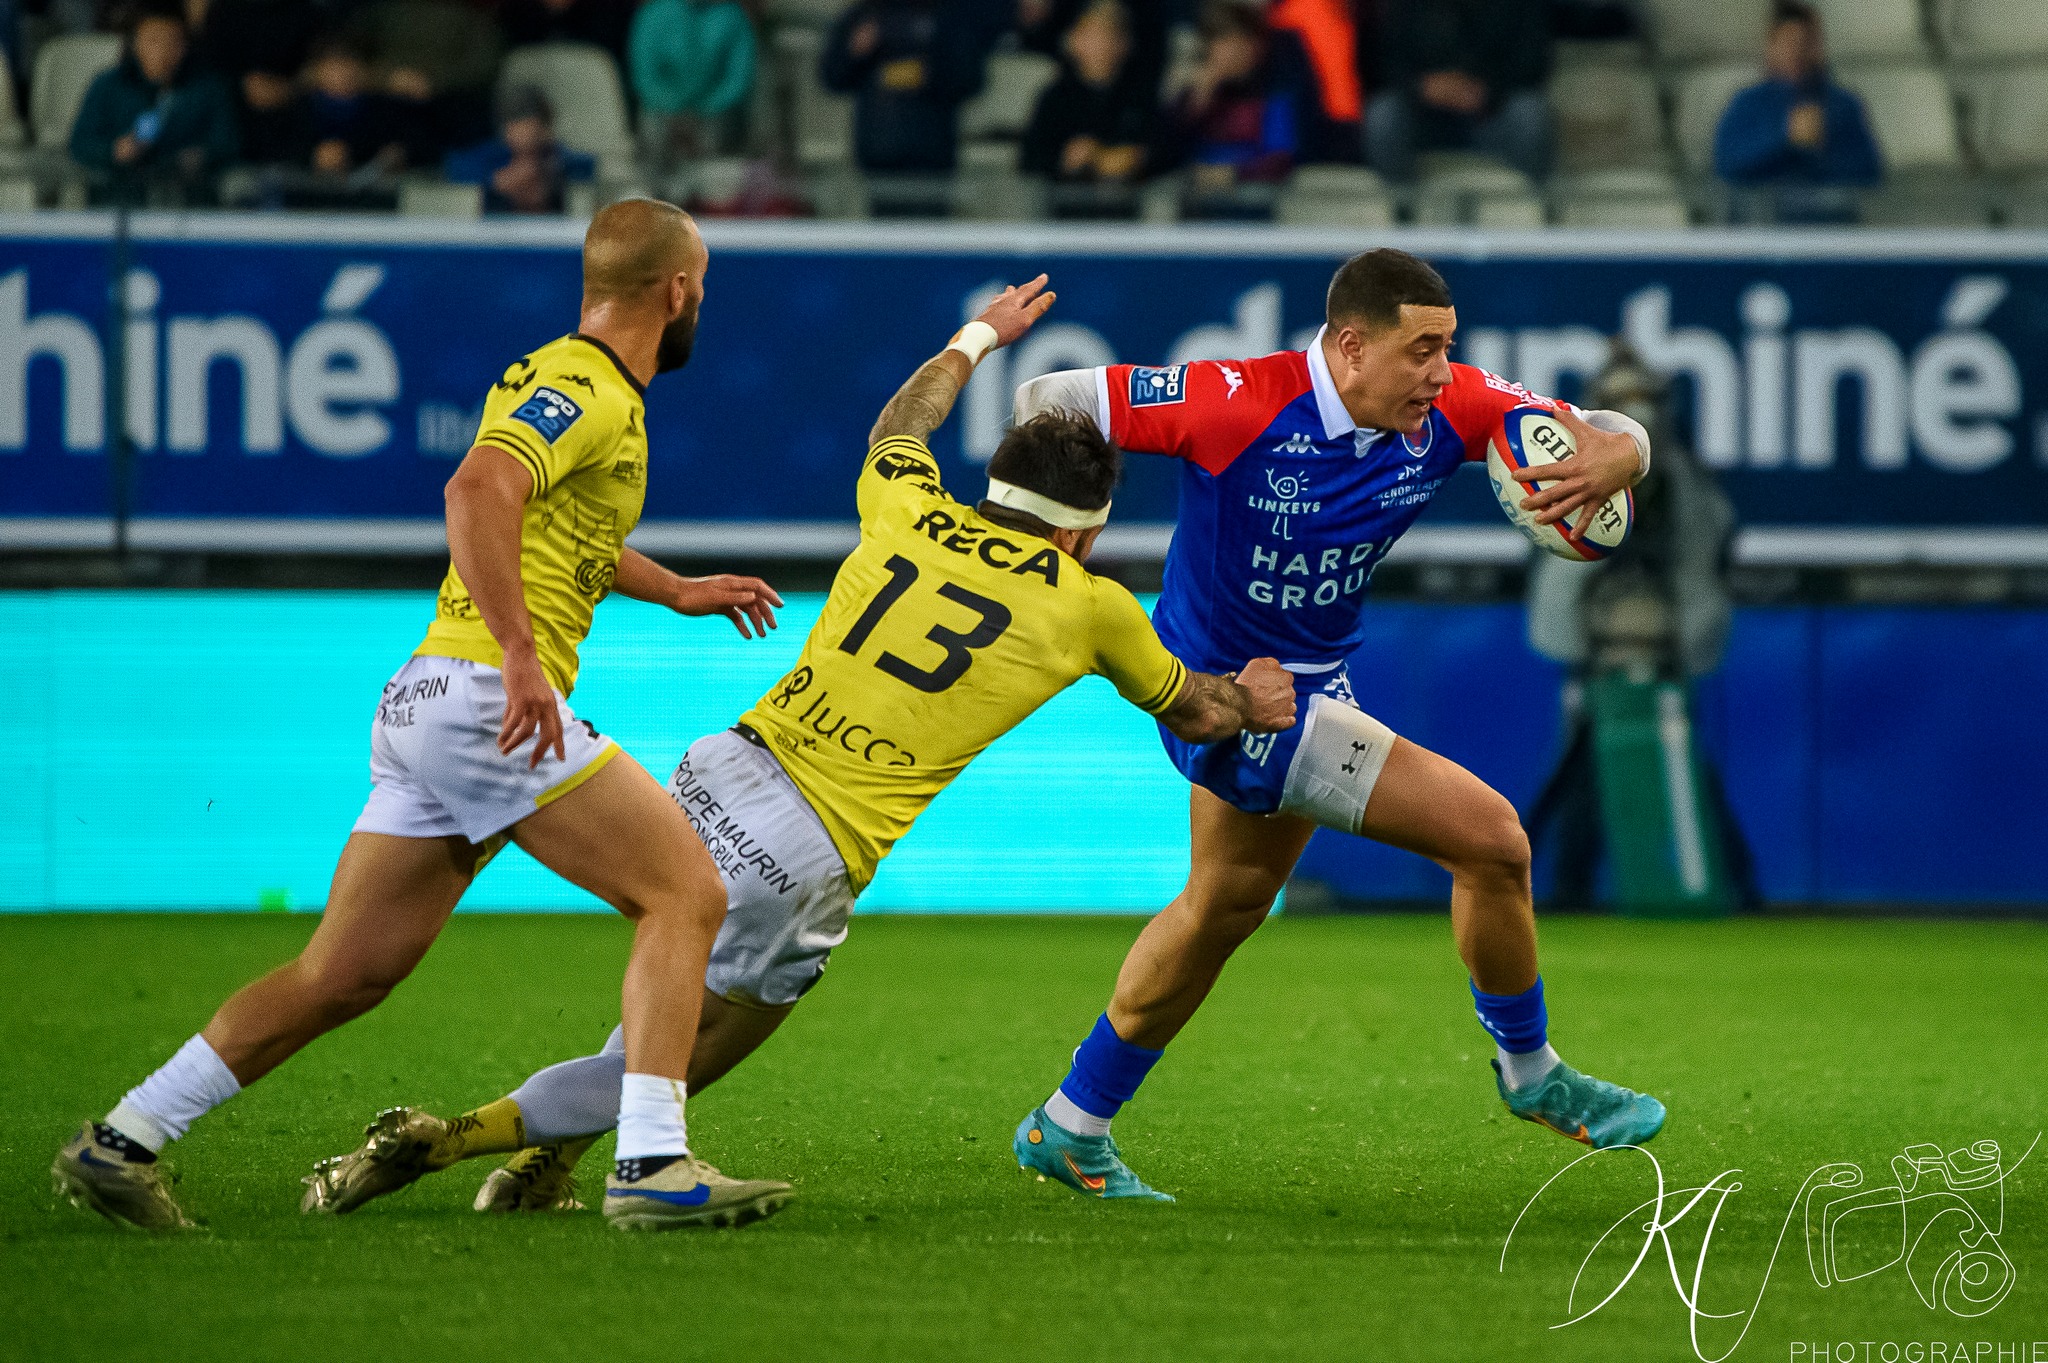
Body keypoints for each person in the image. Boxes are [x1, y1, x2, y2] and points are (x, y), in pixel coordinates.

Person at [295, 277, 1297, 1218]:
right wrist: (1250, 696)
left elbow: (899, 425)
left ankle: (540, 1165)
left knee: (671, 988)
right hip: (809, 842)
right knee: (694, 1043)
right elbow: (1196, 710)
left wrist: (977, 336)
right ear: (1085, 531)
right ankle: (455, 1138)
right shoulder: (1092, 605)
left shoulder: (904, 504)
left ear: (994, 483)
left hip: (718, 766)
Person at [52, 199, 795, 1235]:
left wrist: (670, 588)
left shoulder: (583, 388)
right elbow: (477, 489)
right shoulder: (581, 386)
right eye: (700, 285)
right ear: (675, 291)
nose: (699, 302)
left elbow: (550, 523)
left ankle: (123, 1136)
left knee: (342, 974)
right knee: (686, 894)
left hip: (425, 703)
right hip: (487, 696)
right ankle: (653, 1162)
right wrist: (524, 655)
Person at [1006, 248, 1667, 1201]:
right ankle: (1533, 1073)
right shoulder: (1236, 400)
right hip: (1232, 704)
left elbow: (1594, 431)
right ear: (1350, 346)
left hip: (1316, 688)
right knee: (1492, 840)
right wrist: (1067, 544)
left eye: (1450, 347)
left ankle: (1069, 1124)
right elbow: (1045, 395)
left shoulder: (1448, 407)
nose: (1443, 372)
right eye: (1422, 349)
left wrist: (1625, 450)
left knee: (1220, 908)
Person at [1523, 342, 1758, 911]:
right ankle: (1565, 897)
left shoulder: (1687, 484)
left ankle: (1742, 897)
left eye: (1646, 402)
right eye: (1622, 403)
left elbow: (1704, 549)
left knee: (1688, 780)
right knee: (1579, 791)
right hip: (1597, 661)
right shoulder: (1562, 475)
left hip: (1664, 661)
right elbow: (1557, 562)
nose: (1639, 414)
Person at [1713, 1, 1880, 226]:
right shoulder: (1747, 104)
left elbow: (1868, 170)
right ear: (1771, 45)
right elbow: (1728, 166)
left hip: (1831, 236)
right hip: (1761, 236)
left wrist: (1820, 150)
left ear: (1818, 46)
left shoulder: (1842, 105)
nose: (1796, 52)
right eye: (1787, 43)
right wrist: (1785, 139)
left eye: (1805, 43)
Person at [1364, 0, 1553, 184]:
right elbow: (1385, 60)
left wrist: (1486, 91)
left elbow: (1533, 60)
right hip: (1422, 118)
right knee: (1383, 115)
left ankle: (1539, 205)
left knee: (1529, 114)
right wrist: (1422, 87)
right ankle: (1402, 207)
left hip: (1491, 116)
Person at [820, 0, 988, 203]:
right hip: (878, 155)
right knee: (883, 228)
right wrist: (854, 51)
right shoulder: (864, 15)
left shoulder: (949, 15)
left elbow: (971, 78)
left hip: (932, 157)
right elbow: (832, 77)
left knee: (931, 227)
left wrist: (929, 74)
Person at [68, 7, 238, 204]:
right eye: (154, 41)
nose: (163, 51)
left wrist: (201, 157)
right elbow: (80, 143)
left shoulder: (208, 88)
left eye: (173, 42)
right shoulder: (108, 85)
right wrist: (114, 151)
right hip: (119, 195)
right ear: (135, 43)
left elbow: (229, 143)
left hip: (189, 195)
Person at [1158, 0, 1302, 210]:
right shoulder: (1195, 94)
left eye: (1239, 42)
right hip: (1195, 205)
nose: (1231, 52)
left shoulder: (1275, 91)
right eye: (1223, 42)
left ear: (1257, 46)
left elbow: (1280, 160)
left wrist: (1232, 174)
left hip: (1255, 203)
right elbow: (1162, 155)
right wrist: (1197, 101)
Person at [1019, 0, 1154, 216]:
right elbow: (1029, 159)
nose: (1102, 45)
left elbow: (1161, 153)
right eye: (1093, 35)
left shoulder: (1141, 96)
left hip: (1124, 220)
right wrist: (1064, 159)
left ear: (1125, 44)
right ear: (1074, 40)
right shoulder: (1055, 98)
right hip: (1064, 217)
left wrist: (1125, 158)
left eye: (1110, 35)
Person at [628, 0, 758, 167]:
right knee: (653, 129)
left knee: (714, 147)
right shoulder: (655, 13)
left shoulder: (732, 16)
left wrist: (704, 109)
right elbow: (643, 75)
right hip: (661, 112)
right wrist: (672, 108)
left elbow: (738, 79)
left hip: (712, 116)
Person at [445, 85, 596, 214]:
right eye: (515, 125)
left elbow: (588, 168)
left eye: (530, 127)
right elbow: (456, 169)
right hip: (500, 233)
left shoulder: (558, 157)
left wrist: (547, 172)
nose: (522, 134)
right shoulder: (495, 155)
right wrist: (496, 181)